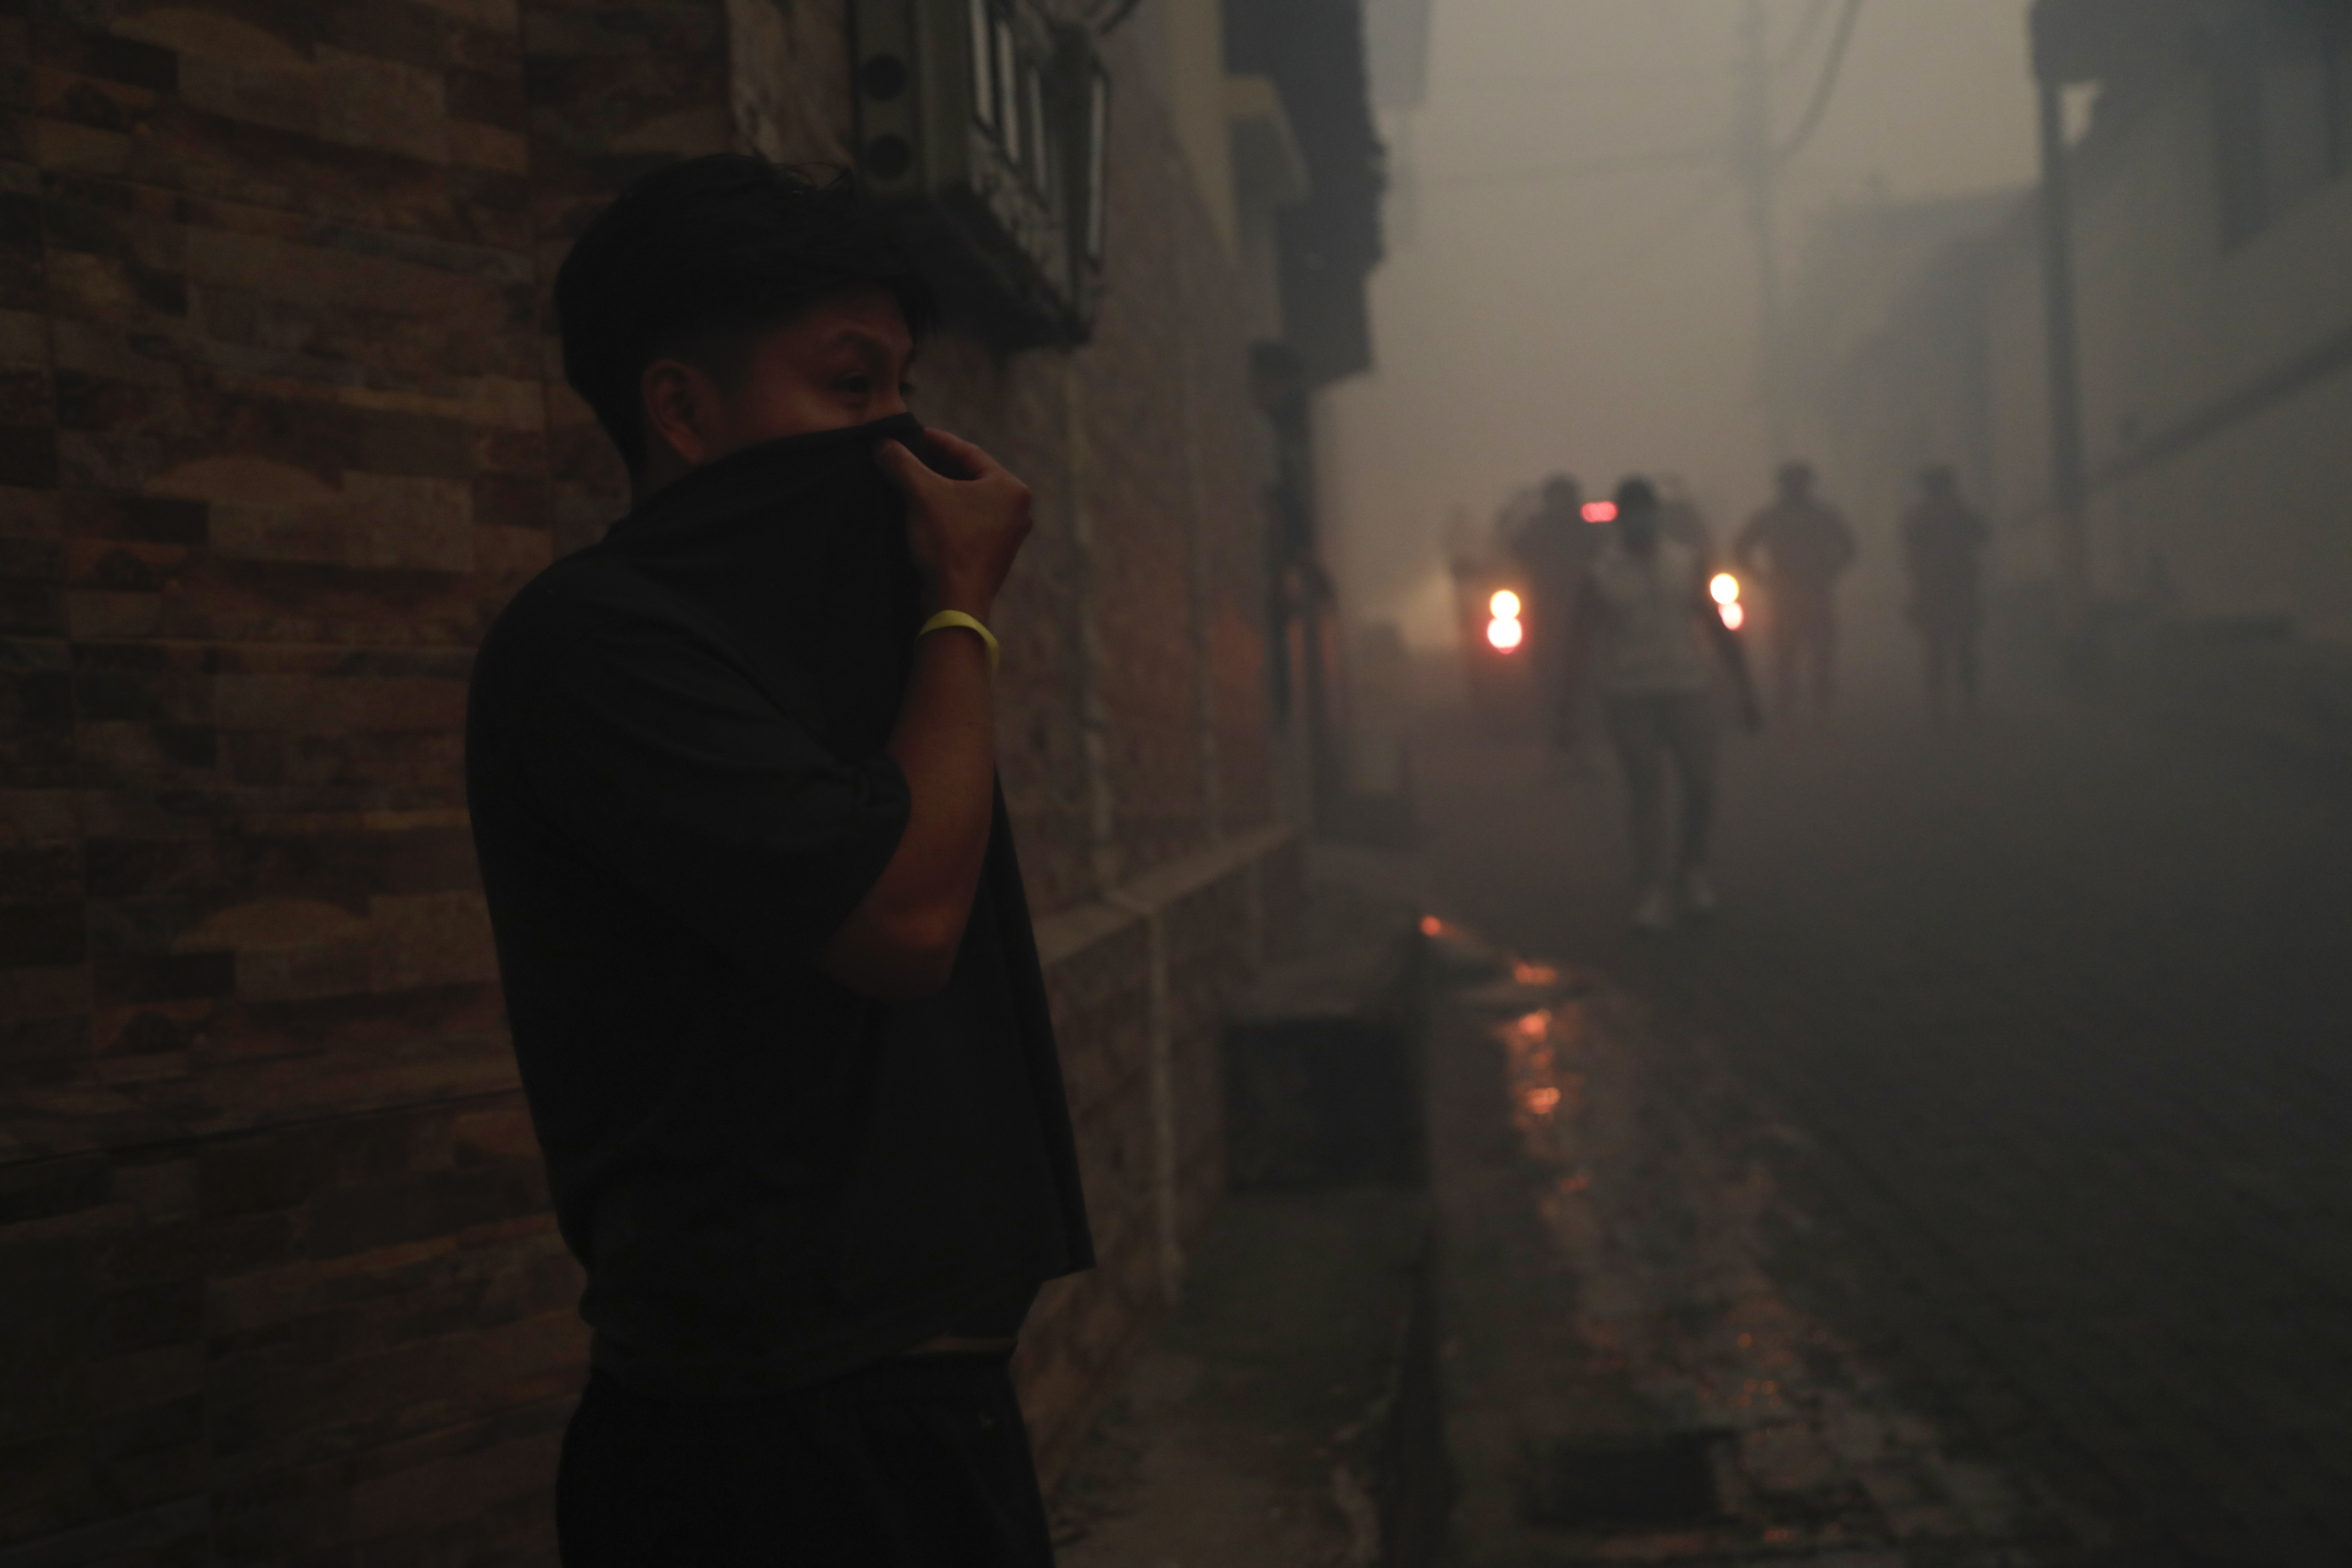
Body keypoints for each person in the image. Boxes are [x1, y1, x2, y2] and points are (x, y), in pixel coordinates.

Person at [464, 156, 1091, 1566]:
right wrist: (959, 615)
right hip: (769, 1437)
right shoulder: (598, 649)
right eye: (849, 386)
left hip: (917, 1411)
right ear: (682, 409)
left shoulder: (817, 638)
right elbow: (903, 919)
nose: (899, 437)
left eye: (901, 388)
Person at [1565, 477, 1762, 931]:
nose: (1640, 519)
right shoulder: (1600, 574)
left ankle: (1692, 870)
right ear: (1620, 519)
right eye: (1632, 511)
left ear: (1656, 514)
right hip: (1628, 694)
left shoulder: (1687, 564)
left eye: (1645, 509)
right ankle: (1652, 889)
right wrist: (1566, 708)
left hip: (1688, 688)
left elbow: (1718, 627)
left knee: (1700, 784)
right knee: (1645, 792)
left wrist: (1745, 688)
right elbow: (1578, 642)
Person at [1733, 460, 1858, 717]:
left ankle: (1812, 711)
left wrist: (1762, 578)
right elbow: (1741, 549)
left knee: (1811, 655)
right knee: (1789, 656)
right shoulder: (1791, 516)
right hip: (1793, 592)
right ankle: (1797, 712)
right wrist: (1762, 578)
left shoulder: (1803, 516)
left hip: (1806, 591)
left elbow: (1850, 547)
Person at [1510, 473, 1599, 746]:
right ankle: (1561, 728)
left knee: (1585, 669)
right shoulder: (1541, 529)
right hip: (1548, 610)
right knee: (1549, 670)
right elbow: (1516, 549)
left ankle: (1579, 727)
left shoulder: (1586, 530)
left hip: (1582, 610)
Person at [1901, 464, 1991, 724]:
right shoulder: (1961, 513)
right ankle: (1966, 707)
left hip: (1936, 589)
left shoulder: (1918, 517)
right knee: (1961, 650)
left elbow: (1912, 556)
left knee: (1938, 651)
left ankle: (1940, 708)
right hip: (1958, 588)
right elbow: (1985, 535)